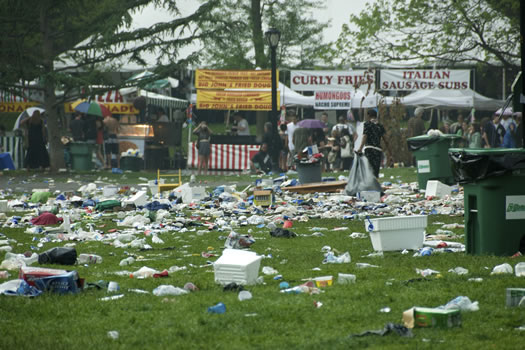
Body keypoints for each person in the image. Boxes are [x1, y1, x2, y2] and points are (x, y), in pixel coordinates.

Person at [357, 109, 389, 178]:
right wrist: (389, 152)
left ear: (369, 115)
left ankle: (369, 186)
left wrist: (360, 148)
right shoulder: (380, 126)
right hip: (378, 150)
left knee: (368, 170)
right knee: (375, 171)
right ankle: (375, 185)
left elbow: (365, 136)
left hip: (369, 150)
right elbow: (386, 140)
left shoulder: (367, 124)